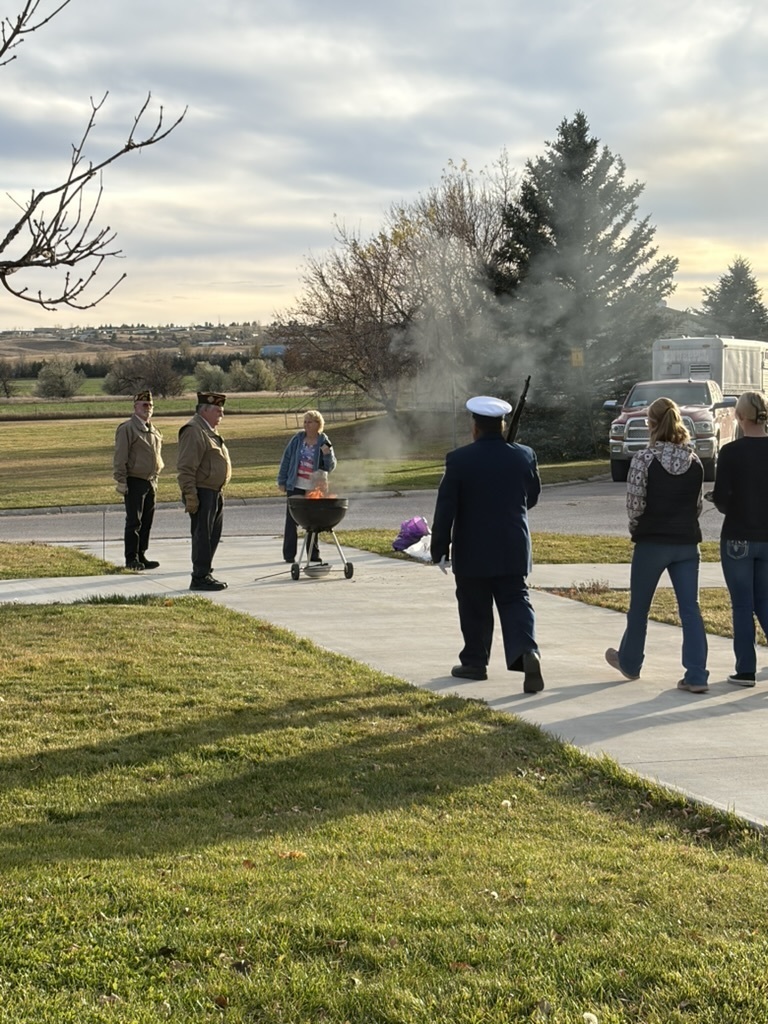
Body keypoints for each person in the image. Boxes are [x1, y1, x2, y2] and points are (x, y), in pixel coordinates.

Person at [430, 395, 544, 693]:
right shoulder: (525, 455)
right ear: (502, 425)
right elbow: (530, 498)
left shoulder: (459, 459)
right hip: (513, 544)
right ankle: (527, 652)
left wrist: (440, 546)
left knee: (474, 604)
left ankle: (474, 663)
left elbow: (446, 508)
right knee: (516, 599)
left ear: (475, 427)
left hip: (473, 548)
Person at [605, 396, 709, 693]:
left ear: (651, 424)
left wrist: (637, 528)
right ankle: (697, 674)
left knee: (639, 608)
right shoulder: (695, 461)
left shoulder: (643, 459)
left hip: (652, 541)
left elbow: (635, 506)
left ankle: (630, 662)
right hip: (687, 543)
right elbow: (698, 506)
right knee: (691, 609)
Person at [710, 390, 768, 686]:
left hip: (738, 538)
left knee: (742, 604)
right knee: (764, 600)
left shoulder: (731, 453)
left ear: (739, 416)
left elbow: (721, 499)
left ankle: (746, 668)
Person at [177, 391, 232, 591]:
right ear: (205, 410)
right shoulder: (194, 430)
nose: (221, 415)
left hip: (214, 491)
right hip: (202, 492)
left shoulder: (208, 430)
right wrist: (190, 495)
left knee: (212, 536)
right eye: (218, 410)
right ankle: (199, 576)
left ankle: (205, 572)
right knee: (202, 536)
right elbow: (186, 468)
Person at [113, 389, 164, 570]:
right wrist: (121, 480)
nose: (147, 408)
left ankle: (142, 554)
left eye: (150, 405)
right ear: (135, 407)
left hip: (150, 481)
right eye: (144, 405)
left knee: (147, 521)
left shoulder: (154, 430)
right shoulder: (127, 429)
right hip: (134, 480)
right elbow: (120, 457)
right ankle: (131, 559)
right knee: (134, 521)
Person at [277, 409, 337, 563]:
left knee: (312, 521)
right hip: (295, 485)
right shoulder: (297, 439)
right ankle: (289, 555)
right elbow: (286, 460)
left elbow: (330, 467)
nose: (306, 425)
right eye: (305, 422)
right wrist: (282, 482)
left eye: (309, 422)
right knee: (291, 520)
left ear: (318, 424)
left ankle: (313, 554)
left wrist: (327, 454)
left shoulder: (324, 441)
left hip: (313, 487)